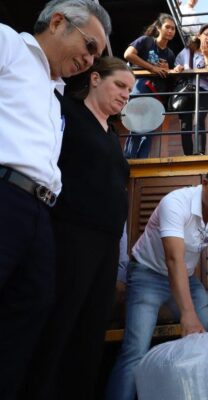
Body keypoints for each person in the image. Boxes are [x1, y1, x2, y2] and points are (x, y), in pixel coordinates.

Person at [0, 1, 110, 398]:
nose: (90, 59)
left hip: (41, 212)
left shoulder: (55, 94)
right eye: (90, 46)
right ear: (58, 21)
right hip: (6, 194)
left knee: (27, 317)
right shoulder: (9, 43)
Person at [20, 57, 134, 400]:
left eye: (130, 90)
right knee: (61, 323)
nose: (126, 95)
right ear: (96, 78)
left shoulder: (113, 136)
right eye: (120, 85)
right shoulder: (64, 112)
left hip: (106, 244)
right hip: (70, 234)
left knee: (91, 331)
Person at [105, 156, 208, 400]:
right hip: (147, 273)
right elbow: (174, 258)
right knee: (135, 351)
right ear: (205, 183)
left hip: (185, 278)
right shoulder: (175, 202)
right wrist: (187, 314)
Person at [123, 13, 177, 159]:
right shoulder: (146, 41)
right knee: (136, 128)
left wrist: (171, 69)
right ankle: (128, 161)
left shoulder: (170, 54)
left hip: (157, 95)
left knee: (149, 133)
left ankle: (141, 163)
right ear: (159, 28)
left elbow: (169, 77)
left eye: (173, 29)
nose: (171, 31)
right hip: (140, 88)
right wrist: (152, 68)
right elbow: (128, 54)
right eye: (167, 27)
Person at [173, 24, 208, 155]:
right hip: (186, 90)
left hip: (203, 91)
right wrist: (178, 68)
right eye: (207, 34)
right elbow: (176, 66)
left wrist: (206, 57)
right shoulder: (187, 51)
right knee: (185, 123)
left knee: (199, 120)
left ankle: (199, 152)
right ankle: (188, 154)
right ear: (199, 35)